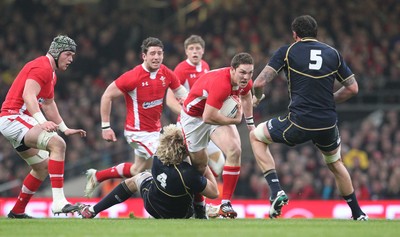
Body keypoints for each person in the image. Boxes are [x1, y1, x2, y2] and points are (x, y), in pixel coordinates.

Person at [250, 15, 368, 220]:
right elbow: (352, 88)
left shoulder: (287, 51)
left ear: (295, 35)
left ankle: (276, 190)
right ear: (316, 33)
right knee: (335, 163)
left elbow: (259, 83)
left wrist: (257, 99)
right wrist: (329, 100)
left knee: (256, 136)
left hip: (299, 121)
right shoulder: (333, 53)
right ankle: (358, 213)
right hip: (327, 123)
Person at [84, 37, 187, 198]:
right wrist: (105, 127)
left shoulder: (165, 72)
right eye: (152, 53)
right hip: (137, 133)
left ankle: (98, 176)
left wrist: (195, 108)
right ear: (144, 56)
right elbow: (107, 96)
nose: (156, 57)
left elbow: (182, 93)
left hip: (155, 131)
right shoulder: (133, 76)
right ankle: (163, 202)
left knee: (136, 170)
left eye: (159, 53)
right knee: (168, 157)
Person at [0, 35, 87, 218]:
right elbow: (28, 96)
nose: (71, 59)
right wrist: (42, 121)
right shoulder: (42, 66)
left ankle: (17, 211)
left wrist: (64, 128)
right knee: (58, 145)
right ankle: (59, 203)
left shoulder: (51, 74)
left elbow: (48, 104)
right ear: (56, 52)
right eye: (68, 54)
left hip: (16, 121)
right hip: (14, 117)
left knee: (42, 167)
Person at [79, 124, 219, 219]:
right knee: (194, 185)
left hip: (152, 205)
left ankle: (92, 210)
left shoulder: (157, 156)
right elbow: (214, 193)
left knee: (137, 178)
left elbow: (165, 138)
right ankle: (201, 211)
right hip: (182, 214)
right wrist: (204, 166)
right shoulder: (188, 173)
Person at [180, 52, 255, 219]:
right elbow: (207, 117)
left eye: (250, 73)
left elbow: (247, 96)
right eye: (242, 72)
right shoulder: (222, 84)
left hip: (216, 112)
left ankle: (225, 204)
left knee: (234, 150)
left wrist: (250, 124)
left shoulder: (244, 81)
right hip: (194, 119)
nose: (246, 77)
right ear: (233, 69)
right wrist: (235, 120)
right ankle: (198, 207)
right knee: (199, 167)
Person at [166, 35, 225, 217]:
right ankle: (197, 206)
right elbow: (169, 99)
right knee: (195, 167)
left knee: (219, 163)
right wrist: (185, 114)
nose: (195, 52)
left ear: (203, 51)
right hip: (189, 126)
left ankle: (199, 202)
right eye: (191, 49)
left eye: (197, 49)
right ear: (186, 51)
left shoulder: (206, 67)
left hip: (204, 124)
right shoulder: (181, 69)